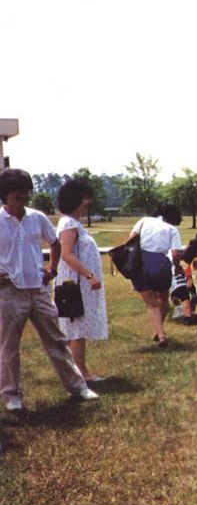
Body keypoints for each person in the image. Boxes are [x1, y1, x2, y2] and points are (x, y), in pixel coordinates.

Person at [0, 168, 98, 410]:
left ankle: (78, 387)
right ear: (5, 195)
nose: (23, 198)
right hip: (10, 291)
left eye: (27, 193)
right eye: (17, 194)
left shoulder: (37, 218)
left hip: (39, 290)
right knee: (8, 346)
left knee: (57, 340)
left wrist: (52, 269)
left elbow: (54, 243)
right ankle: (12, 397)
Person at [55, 178, 108, 382]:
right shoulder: (69, 223)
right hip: (74, 285)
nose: (89, 202)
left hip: (79, 284)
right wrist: (89, 275)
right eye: (86, 198)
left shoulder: (74, 223)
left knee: (77, 328)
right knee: (76, 328)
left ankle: (76, 372)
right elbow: (66, 254)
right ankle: (82, 373)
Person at [128, 203, 184, 348]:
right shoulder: (172, 229)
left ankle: (160, 334)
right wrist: (177, 267)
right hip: (161, 263)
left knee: (151, 303)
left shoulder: (144, 221)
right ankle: (159, 331)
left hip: (140, 263)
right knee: (163, 298)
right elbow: (175, 253)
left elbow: (131, 240)